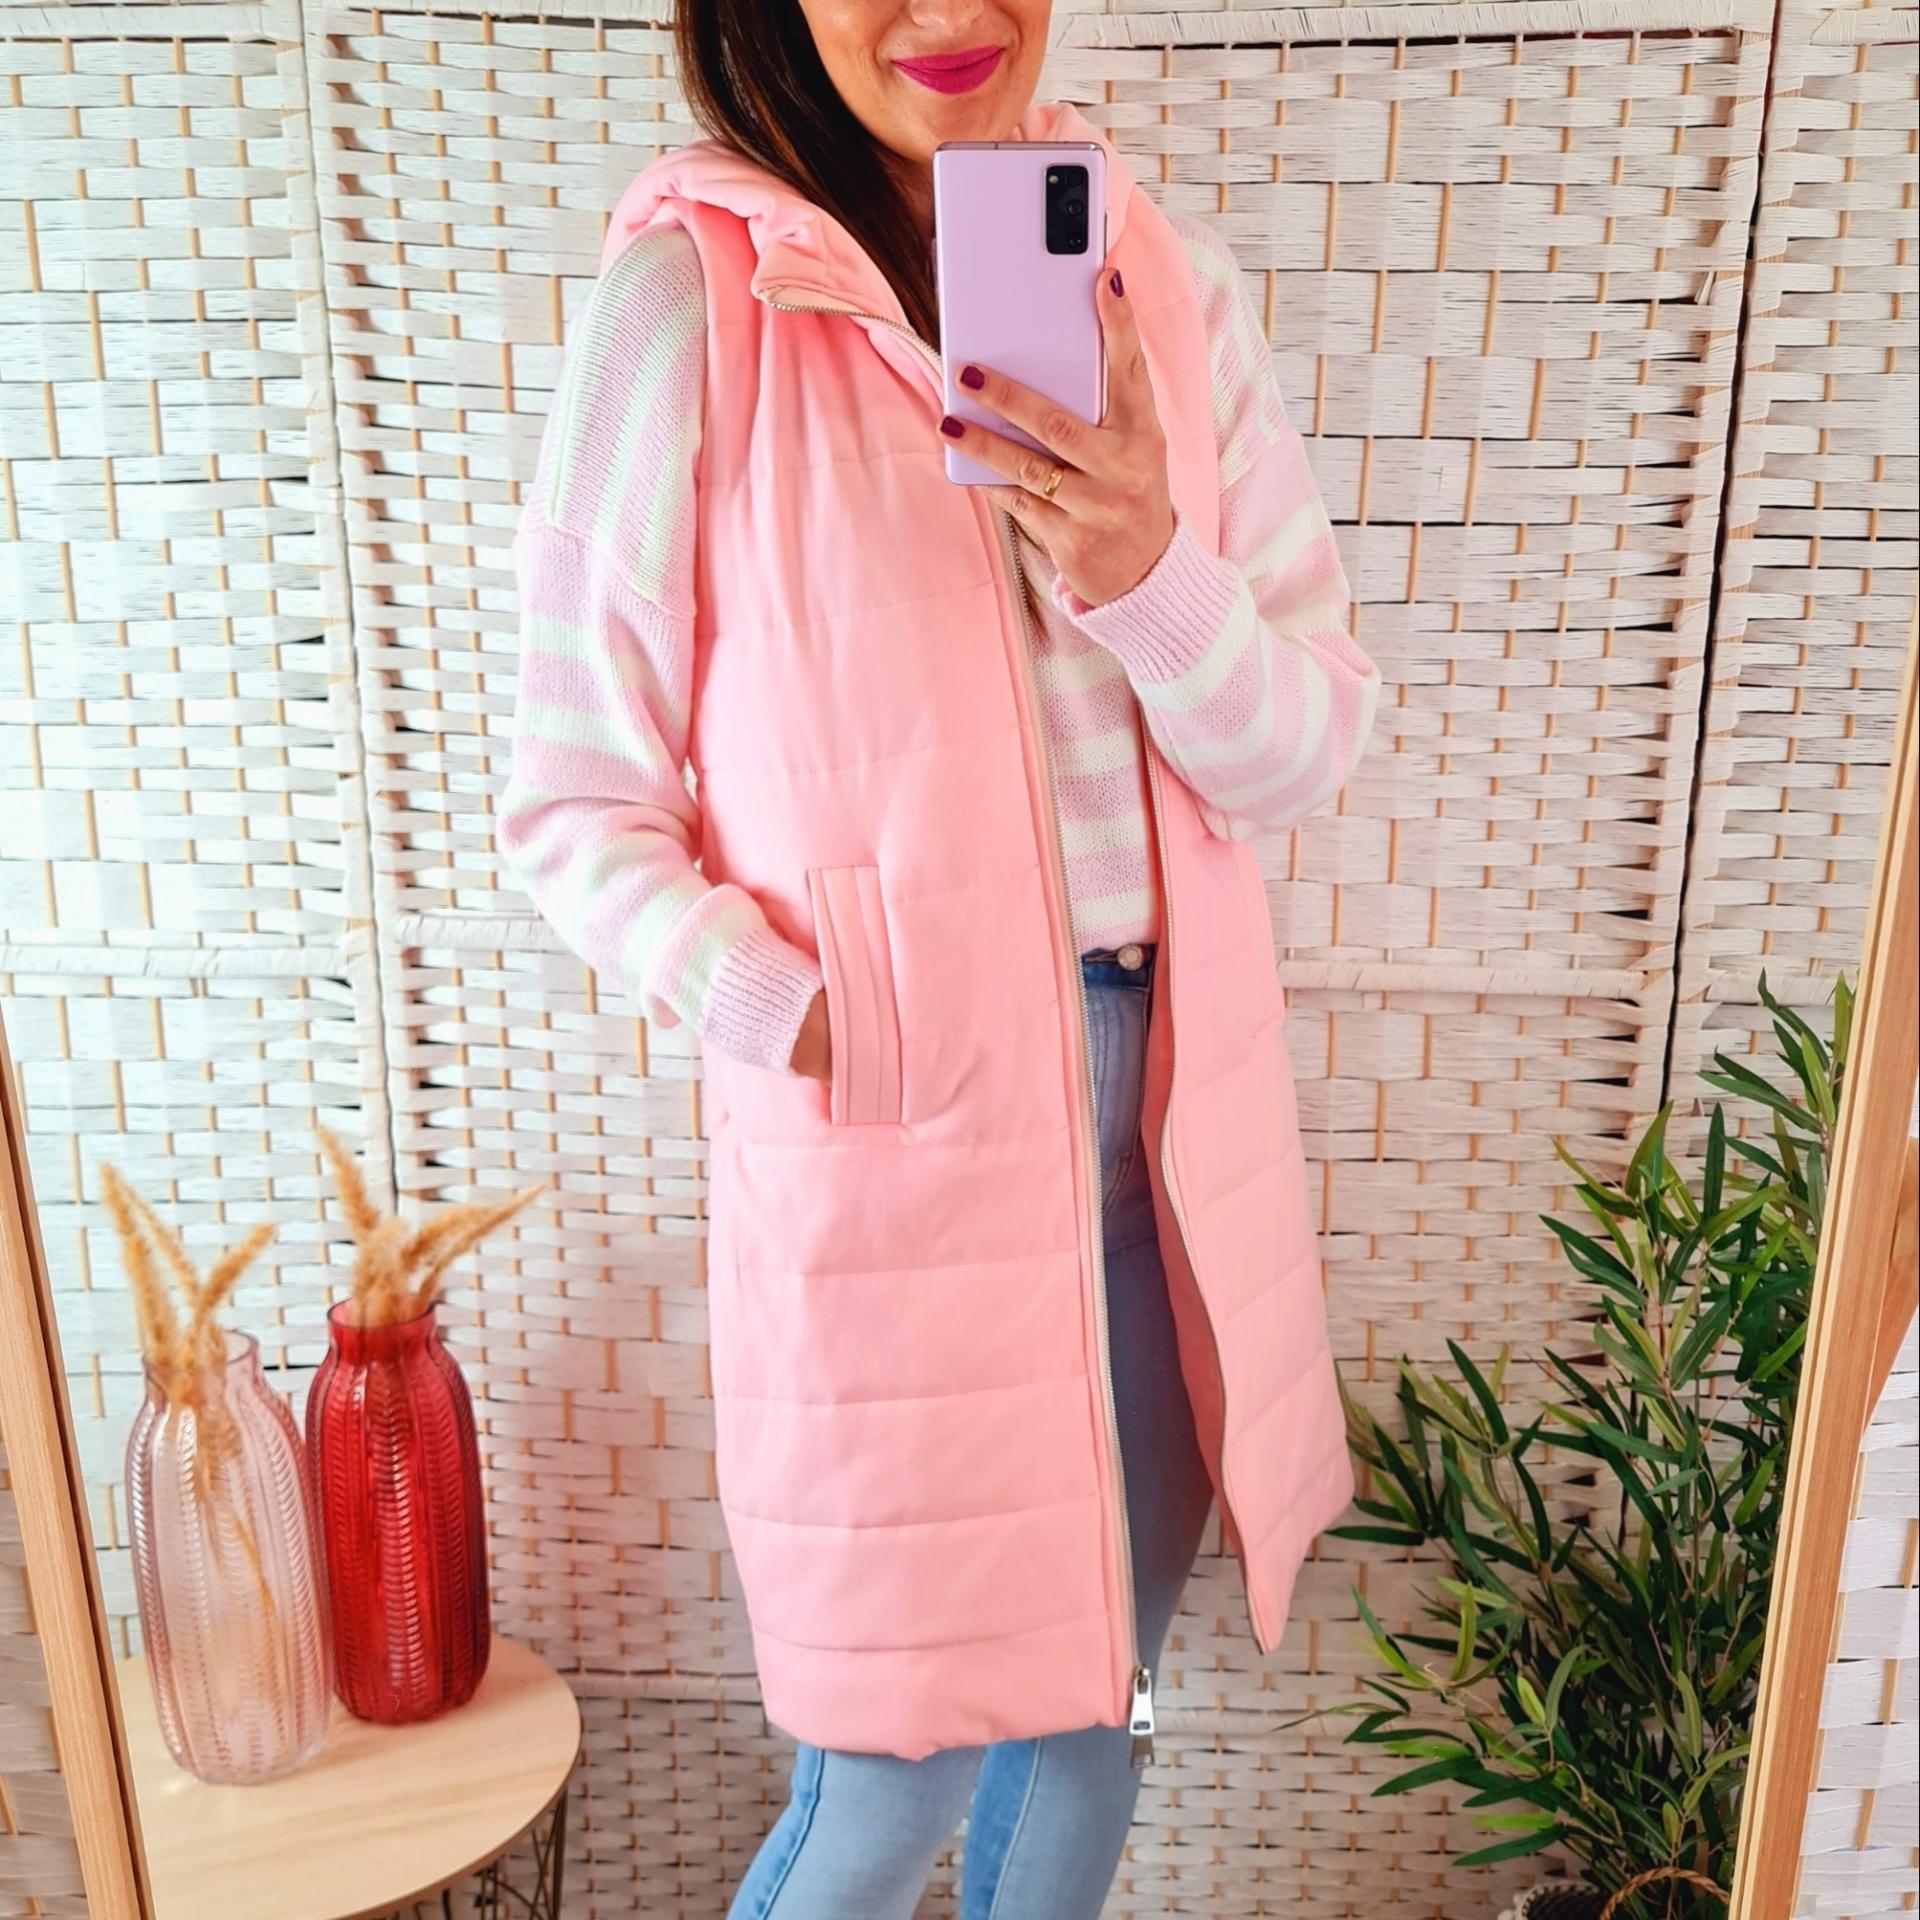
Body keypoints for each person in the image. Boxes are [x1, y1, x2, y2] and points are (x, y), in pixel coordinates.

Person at [499, 0, 1381, 1908]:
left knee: (1093, 1721)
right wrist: (798, 1013)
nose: (955, 12)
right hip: (897, 1144)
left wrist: (1147, 568)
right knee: (890, 1785)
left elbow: (1301, 747)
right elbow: (572, 801)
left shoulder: (1161, 284)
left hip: (1165, 1130)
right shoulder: (695, 305)